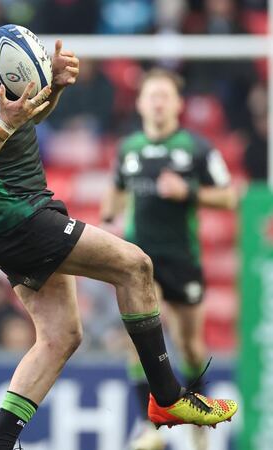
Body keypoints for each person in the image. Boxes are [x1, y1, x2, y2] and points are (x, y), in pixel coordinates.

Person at [0, 1, 238, 449]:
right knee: (135, 266)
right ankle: (168, 396)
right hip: (15, 220)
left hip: (32, 209)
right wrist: (3, 125)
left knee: (61, 335)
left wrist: (54, 87)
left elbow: (32, 114)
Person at [101, 69, 237, 450]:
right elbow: (113, 196)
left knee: (189, 344)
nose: (158, 102)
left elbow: (228, 197)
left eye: (165, 95)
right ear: (141, 103)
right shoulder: (128, 150)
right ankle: (151, 426)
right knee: (139, 333)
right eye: (152, 95)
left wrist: (187, 191)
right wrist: (108, 213)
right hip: (140, 257)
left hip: (183, 257)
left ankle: (197, 424)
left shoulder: (197, 148)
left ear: (178, 105)